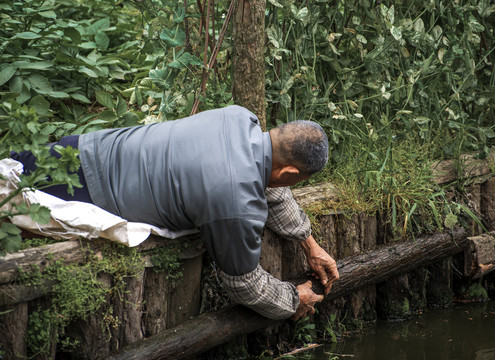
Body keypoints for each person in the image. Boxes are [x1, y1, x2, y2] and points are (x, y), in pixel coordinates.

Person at [11, 105, 339, 320]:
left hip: (82, 148)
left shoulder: (240, 118)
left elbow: (271, 184)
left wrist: (309, 243)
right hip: (79, 194)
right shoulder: (235, 202)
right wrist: (293, 300)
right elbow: (243, 283)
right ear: (290, 173)